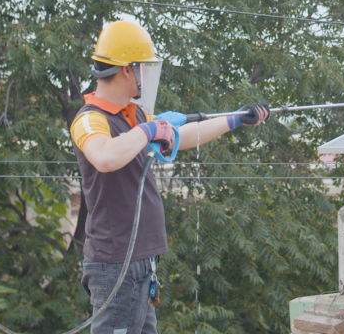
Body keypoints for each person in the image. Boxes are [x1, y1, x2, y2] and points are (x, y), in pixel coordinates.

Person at [70, 20, 269, 334]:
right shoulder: (90, 119)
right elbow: (105, 156)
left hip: (142, 261)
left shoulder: (133, 114)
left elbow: (182, 135)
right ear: (127, 70)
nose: (146, 77)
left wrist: (234, 119)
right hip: (115, 263)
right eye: (143, 68)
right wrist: (148, 130)